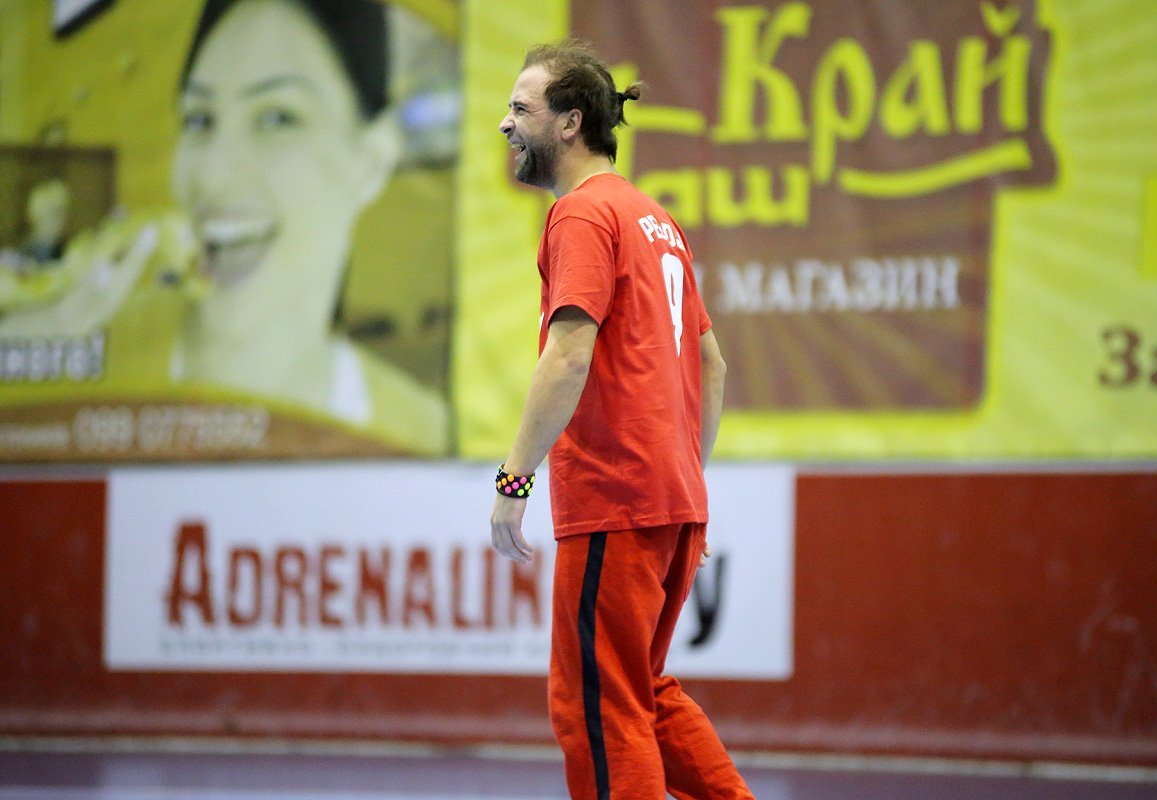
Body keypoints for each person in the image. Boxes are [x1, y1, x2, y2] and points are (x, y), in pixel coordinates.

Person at [490, 40, 754, 800]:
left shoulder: (580, 214)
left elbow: (569, 354)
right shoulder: (655, 218)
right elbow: (712, 365)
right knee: (642, 690)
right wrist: (687, 489)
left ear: (570, 122)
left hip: (615, 499)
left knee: (599, 708)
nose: (505, 124)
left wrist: (513, 479)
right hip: (670, 501)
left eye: (520, 109)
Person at [169, 0, 448, 453]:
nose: (214, 174)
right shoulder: (91, 370)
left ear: (372, 157)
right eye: (199, 119)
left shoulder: (421, 433)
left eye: (276, 118)